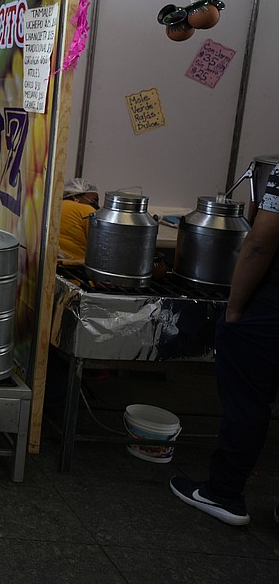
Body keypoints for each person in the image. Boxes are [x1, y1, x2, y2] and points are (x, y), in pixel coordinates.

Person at [170, 162, 279, 527]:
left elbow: (261, 242)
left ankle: (224, 493)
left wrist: (234, 307)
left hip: (271, 309)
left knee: (247, 401)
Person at [59, 177, 99, 261]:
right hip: (75, 267)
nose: (96, 204)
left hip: (50, 263)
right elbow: (99, 245)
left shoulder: (53, 207)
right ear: (76, 195)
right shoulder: (87, 210)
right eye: (95, 199)